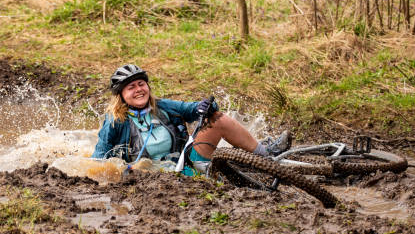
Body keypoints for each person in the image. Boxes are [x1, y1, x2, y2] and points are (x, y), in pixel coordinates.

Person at [91, 64, 291, 175]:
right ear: (121, 95)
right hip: (153, 179)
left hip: (185, 166)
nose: (138, 90)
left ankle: (266, 153)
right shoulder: (114, 122)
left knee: (217, 118)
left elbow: (193, 109)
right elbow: (99, 161)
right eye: (131, 87)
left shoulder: (163, 106)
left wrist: (206, 106)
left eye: (141, 84)